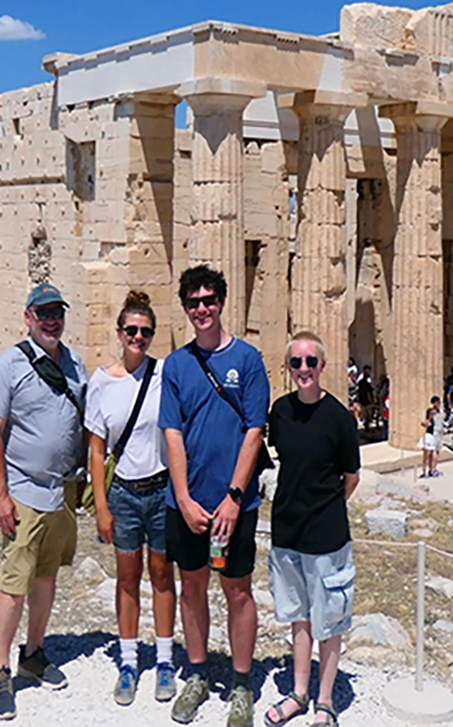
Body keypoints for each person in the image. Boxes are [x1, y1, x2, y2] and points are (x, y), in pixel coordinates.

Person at [159, 265, 271, 727]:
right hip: (187, 504)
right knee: (191, 587)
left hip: (234, 505)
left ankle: (242, 684)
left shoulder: (247, 359)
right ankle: (199, 673)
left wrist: (232, 496)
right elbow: (172, 432)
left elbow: (254, 430)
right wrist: (183, 498)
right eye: (193, 302)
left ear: (221, 303)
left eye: (208, 300)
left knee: (238, 590)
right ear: (185, 308)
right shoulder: (177, 364)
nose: (202, 309)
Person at [0, 283, 87, 720]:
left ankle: (34, 652)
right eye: (42, 313)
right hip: (23, 491)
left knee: (46, 577)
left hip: (61, 492)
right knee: (14, 581)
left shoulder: (75, 362)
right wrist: (0, 495)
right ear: (27, 317)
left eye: (56, 313)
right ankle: (0, 667)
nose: (51, 320)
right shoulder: (9, 366)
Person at [262, 332, 360, 727]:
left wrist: (325, 507)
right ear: (288, 368)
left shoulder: (339, 417)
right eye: (296, 363)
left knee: (330, 621)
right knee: (299, 618)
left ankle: (325, 702)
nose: (303, 369)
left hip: (327, 533)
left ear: (323, 366)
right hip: (287, 530)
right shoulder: (280, 413)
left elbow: (350, 477)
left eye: (310, 361)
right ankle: (298, 694)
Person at [85, 290, 177, 706]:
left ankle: (163, 661)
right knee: (126, 579)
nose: (138, 337)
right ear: (119, 333)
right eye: (132, 330)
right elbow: (96, 449)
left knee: (161, 575)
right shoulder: (102, 381)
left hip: (160, 489)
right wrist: (101, 507)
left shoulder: (164, 374)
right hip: (122, 492)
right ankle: (127, 662)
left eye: (146, 331)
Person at [420, 397, 445, 478]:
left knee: (435, 452)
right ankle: (431, 470)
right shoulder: (431, 412)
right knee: (432, 452)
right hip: (433, 434)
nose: (438, 404)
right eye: (436, 402)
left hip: (439, 433)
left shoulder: (441, 412)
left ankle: (432, 469)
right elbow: (426, 422)